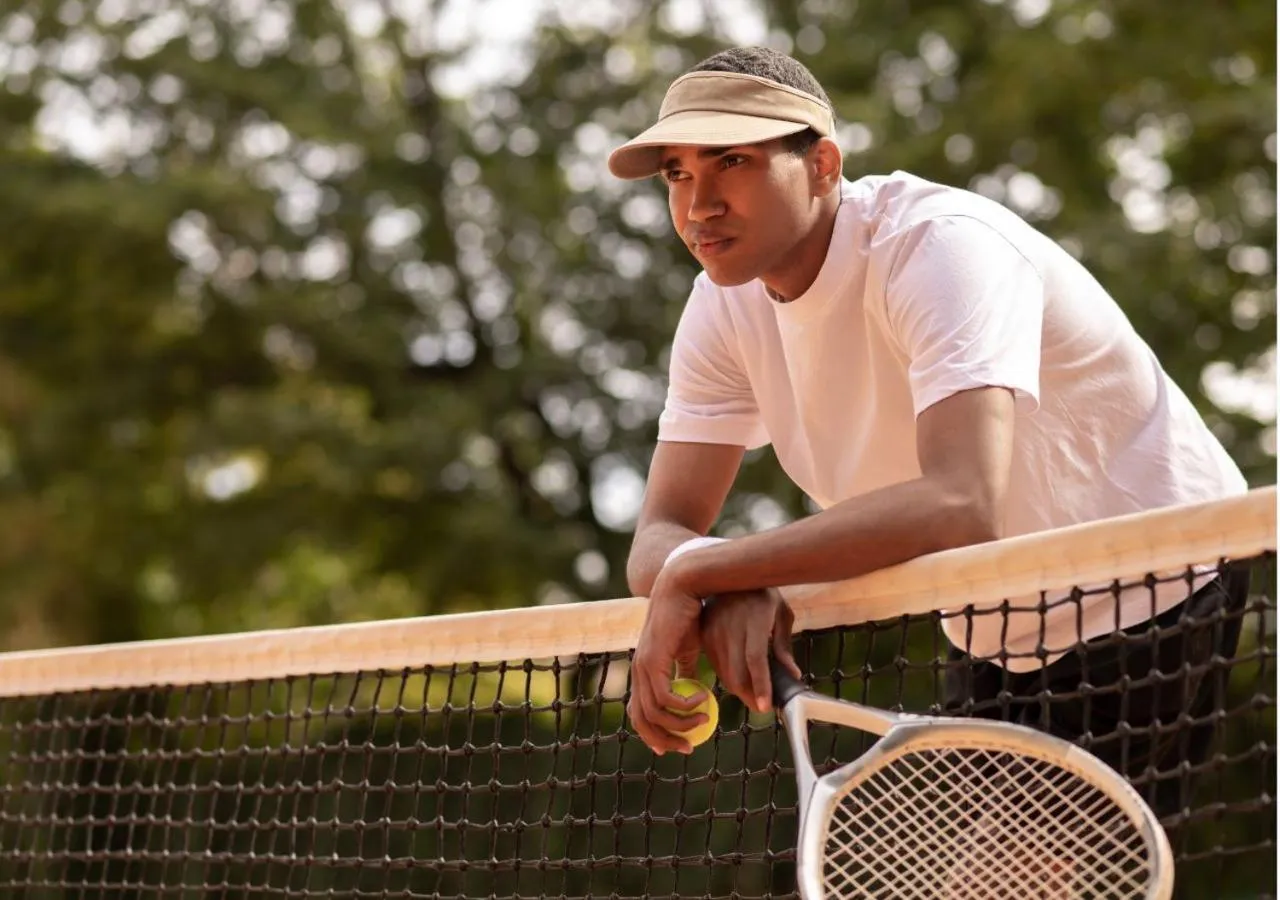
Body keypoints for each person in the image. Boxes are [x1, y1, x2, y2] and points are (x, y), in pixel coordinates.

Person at [606, 46, 1249, 817]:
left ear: (821, 165)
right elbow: (661, 536)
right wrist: (720, 574)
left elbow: (959, 502)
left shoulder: (939, 245)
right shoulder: (721, 306)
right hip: (990, 617)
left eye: (732, 161)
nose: (698, 202)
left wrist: (706, 573)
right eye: (677, 173)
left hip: (1150, 586)